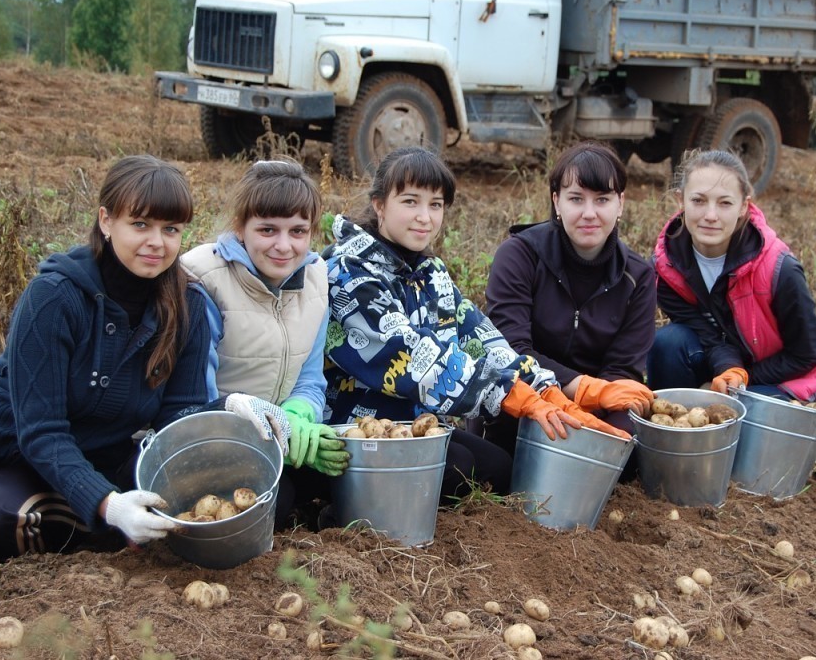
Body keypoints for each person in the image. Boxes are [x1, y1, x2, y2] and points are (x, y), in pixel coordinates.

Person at [0, 155, 290, 564]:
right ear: (106, 221)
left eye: (171, 229)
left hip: (87, 452)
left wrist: (227, 406)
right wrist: (110, 506)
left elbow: (175, 419)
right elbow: (40, 431)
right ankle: (96, 520)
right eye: (140, 224)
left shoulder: (187, 307)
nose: (157, 242)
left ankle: (75, 521)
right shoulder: (54, 297)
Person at [322, 146, 615, 501]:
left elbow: (483, 338)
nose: (425, 218)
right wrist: (506, 392)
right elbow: (409, 355)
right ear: (380, 204)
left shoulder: (431, 274)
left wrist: (545, 387)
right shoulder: (349, 271)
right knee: (457, 469)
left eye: (436, 204)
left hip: (418, 425)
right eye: (410, 202)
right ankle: (338, 507)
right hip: (361, 427)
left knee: (499, 469)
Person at [182, 158, 349, 530]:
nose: (284, 246)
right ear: (240, 228)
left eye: (298, 231)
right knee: (280, 499)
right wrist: (280, 438)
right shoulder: (204, 282)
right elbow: (196, 402)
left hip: (276, 438)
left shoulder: (316, 279)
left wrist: (300, 414)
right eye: (268, 229)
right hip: (217, 441)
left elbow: (310, 377)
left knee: (354, 473)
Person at [478, 142, 657, 470]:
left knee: (631, 440)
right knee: (505, 451)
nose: (589, 213)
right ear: (556, 201)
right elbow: (510, 351)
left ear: (621, 204)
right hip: (528, 398)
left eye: (602, 199)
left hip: (596, 408)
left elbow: (623, 370)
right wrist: (585, 388)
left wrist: (599, 399)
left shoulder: (639, 275)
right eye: (576, 199)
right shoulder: (519, 256)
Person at [647, 149, 816, 401]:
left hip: (785, 376)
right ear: (680, 201)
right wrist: (728, 369)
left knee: (742, 412)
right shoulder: (667, 269)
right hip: (724, 366)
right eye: (698, 201)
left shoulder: (780, 269)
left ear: (743, 207)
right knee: (668, 343)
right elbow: (707, 334)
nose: (710, 215)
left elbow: (806, 355)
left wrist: (744, 378)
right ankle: (666, 435)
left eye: (725, 203)